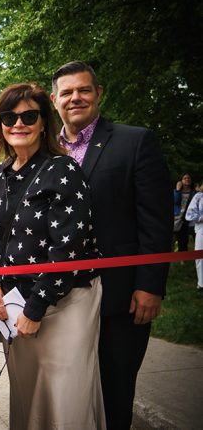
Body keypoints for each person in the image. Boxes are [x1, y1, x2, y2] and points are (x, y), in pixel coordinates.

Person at [52, 61, 172, 429]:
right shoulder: (45, 149)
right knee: (69, 398)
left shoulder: (134, 141)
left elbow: (156, 220)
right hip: (60, 300)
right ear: (55, 101)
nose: (76, 98)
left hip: (119, 298)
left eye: (84, 90)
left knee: (114, 395)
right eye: (67, 93)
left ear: (99, 94)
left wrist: (150, 286)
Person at [0, 83, 104, 429]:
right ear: (0, 124)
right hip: (15, 304)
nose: (18, 123)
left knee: (67, 398)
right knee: (28, 397)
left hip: (65, 302)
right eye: (9, 116)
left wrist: (37, 307)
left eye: (28, 116)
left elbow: (69, 247)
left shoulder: (63, 170)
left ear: (44, 122)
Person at [185, 183, 203, 291]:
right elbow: (189, 214)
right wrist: (201, 218)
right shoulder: (199, 196)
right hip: (201, 228)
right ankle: (201, 283)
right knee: (199, 255)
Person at [174, 173, 195, 252]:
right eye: (185, 178)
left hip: (190, 218)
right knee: (178, 239)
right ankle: (181, 258)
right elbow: (175, 201)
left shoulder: (194, 193)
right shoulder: (176, 191)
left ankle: (196, 256)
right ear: (181, 181)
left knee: (190, 237)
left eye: (189, 178)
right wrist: (178, 190)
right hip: (178, 218)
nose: (187, 179)